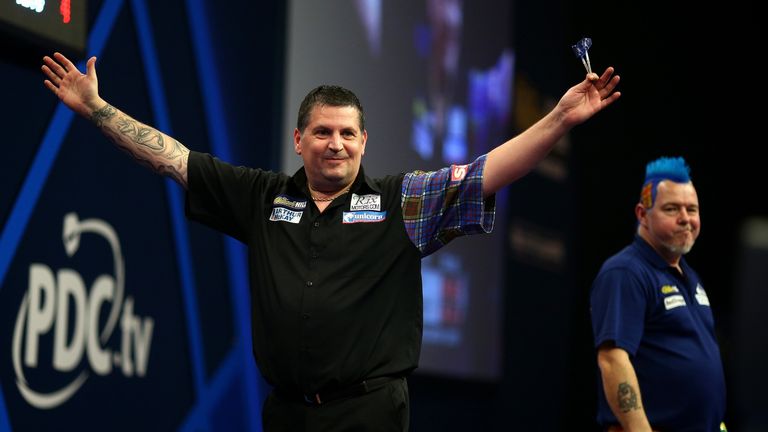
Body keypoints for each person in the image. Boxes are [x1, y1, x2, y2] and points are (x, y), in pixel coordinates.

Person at [42, 51, 620, 431]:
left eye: (347, 133)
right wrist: (96, 108)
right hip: (287, 414)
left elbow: (484, 172)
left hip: (368, 414)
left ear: (365, 142)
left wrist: (560, 120)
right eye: (322, 131)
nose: (336, 143)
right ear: (299, 140)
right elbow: (175, 160)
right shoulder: (264, 198)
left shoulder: (400, 202)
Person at [589, 156, 726, 432]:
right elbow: (613, 360)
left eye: (692, 209)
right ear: (642, 214)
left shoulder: (690, 277)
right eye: (672, 209)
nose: (685, 219)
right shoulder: (626, 272)